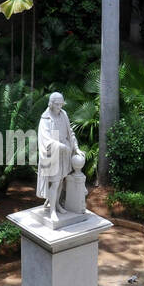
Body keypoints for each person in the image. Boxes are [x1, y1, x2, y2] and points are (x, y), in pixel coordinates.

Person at [36, 92, 83, 222]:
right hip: (52, 155)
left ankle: (56, 204)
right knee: (55, 183)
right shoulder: (45, 119)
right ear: (51, 104)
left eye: (61, 104)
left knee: (61, 180)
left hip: (64, 155)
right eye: (57, 104)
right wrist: (61, 146)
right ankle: (52, 211)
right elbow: (46, 140)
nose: (59, 106)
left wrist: (76, 148)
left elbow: (70, 132)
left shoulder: (63, 114)